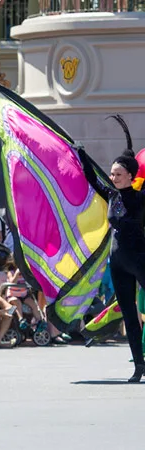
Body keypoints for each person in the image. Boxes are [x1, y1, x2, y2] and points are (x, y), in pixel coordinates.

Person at [77, 145, 145, 382]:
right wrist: (82, 156)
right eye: (112, 174)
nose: (113, 177)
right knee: (128, 315)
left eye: (117, 174)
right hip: (117, 262)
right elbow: (92, 179)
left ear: (130, 175)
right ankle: (139, 365)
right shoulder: (112, 195)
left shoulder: (141, 197)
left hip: (140, 260)